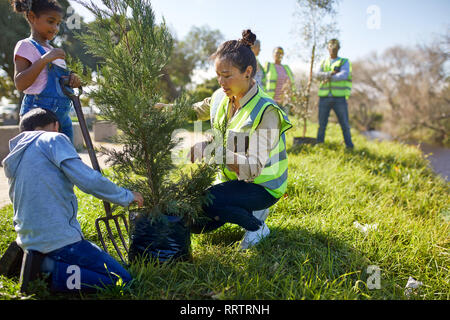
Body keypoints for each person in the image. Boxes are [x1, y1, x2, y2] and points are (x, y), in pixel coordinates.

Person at [159, 30, 293, 249]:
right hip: (233, 178)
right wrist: (165, 111)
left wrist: (213, 150)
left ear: (248, 72)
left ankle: (257, 226)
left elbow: (252, 168)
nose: (221, 81)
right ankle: (238, 205)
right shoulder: (222, 96)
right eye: (218, 75)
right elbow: (196, 111)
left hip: (263, 185)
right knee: (196, 222)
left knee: (210, 201)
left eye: (227, 75)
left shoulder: (266, 111)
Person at [2, 108, 144, 292]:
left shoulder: (15, 156)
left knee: (93, 260)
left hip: (28, 240)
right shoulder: (53, 138)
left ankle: (31, 261)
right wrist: (126, 195)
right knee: (122, 280)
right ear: (56, 125)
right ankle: (47, 274)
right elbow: (88, 180)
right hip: (60, 242)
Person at [11, 0, 82, 143]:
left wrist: (72, 78)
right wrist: (44, 60)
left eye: (58, 23)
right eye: (51, 22)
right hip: (38, 116)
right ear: (32, 17)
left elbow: (60, 81)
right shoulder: (26, 46)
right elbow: (20, 84)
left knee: (65, 157)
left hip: (62, 117)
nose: (55, 28)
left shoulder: (52, 50)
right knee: (40, 159)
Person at [316, 39, 354, 149]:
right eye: (330, 47)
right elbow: (317, 75)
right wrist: (331, 73)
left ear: (338, 48)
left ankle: (349, 146)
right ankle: (319, 145)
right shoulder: (323, 62)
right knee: (321, 124)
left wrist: (327, 76)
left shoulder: (344, 61)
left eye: (335, 47)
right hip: (324, 97)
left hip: (339, 98)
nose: (332, 49)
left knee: (344, 124)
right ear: (327, 48)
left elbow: (344, 75)